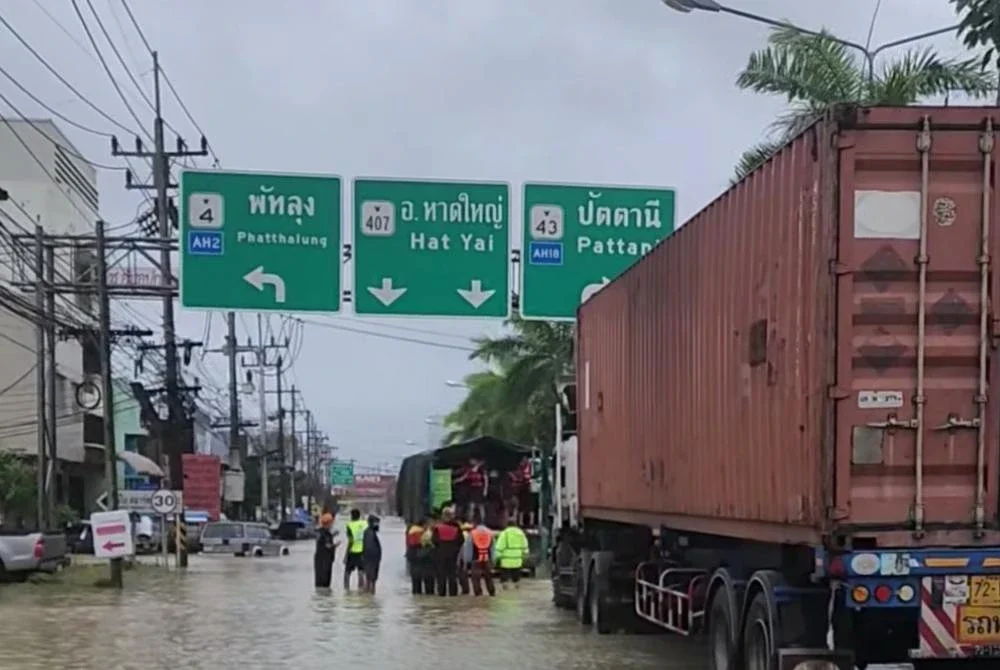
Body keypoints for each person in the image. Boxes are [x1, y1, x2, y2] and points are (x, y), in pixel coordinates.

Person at [431, 507, 465, 596]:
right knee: (452, 575)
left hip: (440, 554)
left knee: (441, 575)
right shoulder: (457, 528)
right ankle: (453, 593)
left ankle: (441, 593)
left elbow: (434, 541)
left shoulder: (437, 528)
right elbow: (461, 541)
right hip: (453, 554)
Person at [462, 513, 496, 596]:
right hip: (487, 558)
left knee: (476, 578)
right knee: (489, 577)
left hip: (475, 558)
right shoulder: (490, 533)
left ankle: (478, 594)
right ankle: (492, 592)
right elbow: (493, 548)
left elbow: (468, 548)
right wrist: (493, 560)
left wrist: (466, 561)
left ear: (475, 523)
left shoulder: (472, 533)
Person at [494, 516, 530, 589]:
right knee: (516, 572)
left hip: (506, 558)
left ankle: (505, 585)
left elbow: (500, 545)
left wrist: (496, 556)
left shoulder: (504, 533)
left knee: (505, 572)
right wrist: (525, 553)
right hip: (517, 558)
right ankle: (517, 585)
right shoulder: (520, 533)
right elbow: (525, 544)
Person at [313, 513, 339, 589]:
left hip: (319, 559)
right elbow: (328, 546)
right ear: (328, 523)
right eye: (331, 523)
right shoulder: (326, 534)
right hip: (325, 560)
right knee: (325, 583)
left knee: (319, 582)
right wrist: (336, 545)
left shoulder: (320, 532)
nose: (332, 525)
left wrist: (333, 535)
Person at [344, 509, 368, 591]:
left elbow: (350, 541)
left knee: (347, 573)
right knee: (361, 572)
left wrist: (346, 555)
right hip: (363, 551)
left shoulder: (349, 525)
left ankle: (346, 590)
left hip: (353, 551)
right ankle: (360, 590)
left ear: (351, 516)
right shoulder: (364, 524)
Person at [405, 518, 427, 595]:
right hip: (419, 554)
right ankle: (419, 593)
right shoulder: (421, 531)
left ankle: (415, 593)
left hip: (411, 554)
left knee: (414, 577)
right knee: (420, 575)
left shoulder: (411, 530)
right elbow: (423, 543)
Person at [362, 515, 382, 594]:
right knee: (371, 580)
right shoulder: (369, 533)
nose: (378, 525)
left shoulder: (369, 532)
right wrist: (375, 559)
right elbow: (370, 548)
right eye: (376, 523)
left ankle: (370, 595)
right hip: (371, 560)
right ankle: (370, 596)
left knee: (370, 579)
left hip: (371, 559)